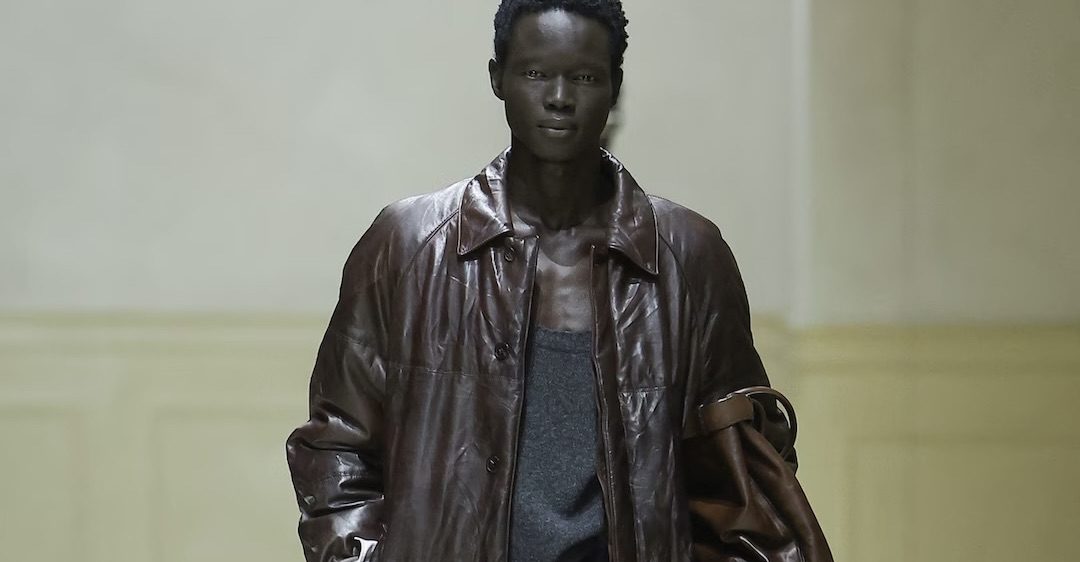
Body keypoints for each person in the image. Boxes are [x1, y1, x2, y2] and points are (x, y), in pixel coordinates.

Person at [286, 1, 793, 560]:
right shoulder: (407, 247)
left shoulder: (688, 258)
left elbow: (741, 476)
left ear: (615, 86)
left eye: (584, 77)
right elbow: (336, 447)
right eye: (534, 72)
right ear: (496, 78)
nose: (559, 96)